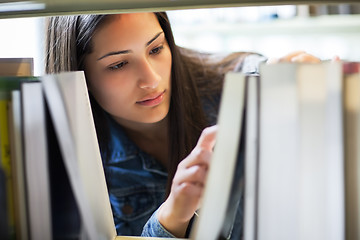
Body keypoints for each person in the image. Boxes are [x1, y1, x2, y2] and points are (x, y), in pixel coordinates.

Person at [45, 12, 322, 239]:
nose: (151, 80)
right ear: (78, 73)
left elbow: (256, 70)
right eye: (119, 65)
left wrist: (291, 74)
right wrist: (172, 217)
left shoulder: (230, 89)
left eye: (156, 48)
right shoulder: (67, 153)